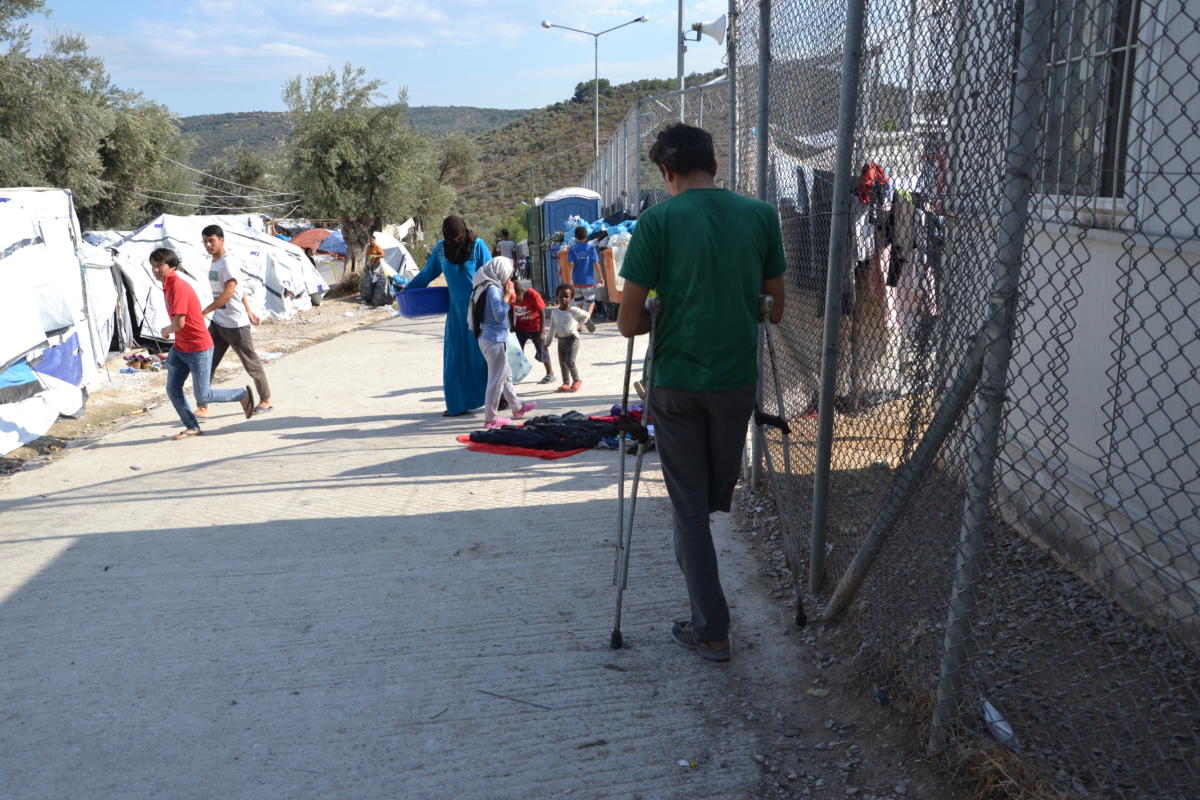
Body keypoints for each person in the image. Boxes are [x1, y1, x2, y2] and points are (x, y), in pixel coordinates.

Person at [618, 122, 786, 663]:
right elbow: (774, 308)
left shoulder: (658, 221)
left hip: (675, 384)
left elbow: (626, 325)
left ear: (667, 172)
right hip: (735, 380)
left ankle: (712, 630)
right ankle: (698, 572)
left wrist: (658, 310)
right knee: (710, 498)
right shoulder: (761, 216)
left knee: (689, 507)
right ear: (714, 163)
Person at [149, 247, 254, 439]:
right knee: (172, 389)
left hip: (198, 348)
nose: (155, 270)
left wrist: (166, 330)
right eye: (153, 266)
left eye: (160, 266)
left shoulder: (177, 286)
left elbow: (179, 323)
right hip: (180, 347)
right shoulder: (166, 284)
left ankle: (241, 394)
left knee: (203, 396)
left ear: (172, 267)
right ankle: (193, 426)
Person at [405, 215, 491, 416]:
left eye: (458, 237)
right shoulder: (441, 250)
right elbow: (427, 274)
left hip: (480, 310)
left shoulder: (478, 246)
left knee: (484, 356)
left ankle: (497, 397)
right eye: (451, 238)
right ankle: (457, 404)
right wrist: (406, 290)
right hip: (456, 314)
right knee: (455, 359)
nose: (455, 241)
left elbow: (491, 275)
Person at [194, 224, 273, 418]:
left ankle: (265, 399)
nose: (208, 245)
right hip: (219, 322)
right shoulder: (215, 261)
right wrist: (249, 310)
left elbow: (230, 292)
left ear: (221, 240)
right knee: (206, 363)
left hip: (236, 325)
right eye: (205, 241)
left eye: (211, 241)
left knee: (251, 363)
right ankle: (203, 406)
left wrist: (206, 310)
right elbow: (240, 290)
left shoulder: (228, 262)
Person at [468, 256, 536, 428]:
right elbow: (499, 316)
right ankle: (490, 418)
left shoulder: (482, 285)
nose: (509, 278)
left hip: (489, 337)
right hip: (494, 338)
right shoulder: (492, 289)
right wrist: (506, 296)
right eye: (508, 274)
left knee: (506, 375)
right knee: (496, 379)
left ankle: (517, 407)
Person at [544, 284, 591, 393]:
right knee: (562, 363)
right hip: (561, 340)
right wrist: (547, 343)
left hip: (573, 339)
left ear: (571, 298)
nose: (563, 299)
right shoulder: (555, 312)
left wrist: (581, 323)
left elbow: (586, 315)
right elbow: (552, 328)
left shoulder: (575, 311)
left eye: (566, 296)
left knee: (569, 361)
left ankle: (577, 380)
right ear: (557, 296)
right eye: (561, 296)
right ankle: (566, 383)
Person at [510, 281, 555, 384]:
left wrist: (542, 332)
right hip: (521, 327)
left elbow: (542, 312)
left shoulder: (533, 295)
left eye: (518, 299)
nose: (516, 302)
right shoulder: (511, 295)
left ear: (522, 291)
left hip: (536, 327)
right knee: (517, 351)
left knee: (542, 350)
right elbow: (510, 310)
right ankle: (516, 374)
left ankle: (550, 373)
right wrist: (512, 326)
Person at [566, 225, 603, 332]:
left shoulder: (572, 249)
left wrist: (570, 280)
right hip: (588, 282)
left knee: (579, 305)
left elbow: (570, 265)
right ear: (586, 237)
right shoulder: (591, 249)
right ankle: (587, 317)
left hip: (576, 282)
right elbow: (596, 264)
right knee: (590, 302)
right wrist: (601, 277)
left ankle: (580, 325)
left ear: (575, 237)